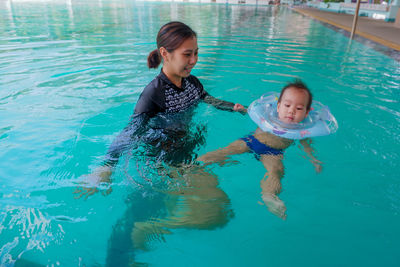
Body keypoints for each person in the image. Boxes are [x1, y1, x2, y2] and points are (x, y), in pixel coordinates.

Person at [74, 21, 245, 265]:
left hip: (186, 151)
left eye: (196, 53)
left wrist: (234, 108)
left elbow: (208, 99)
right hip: (161, 161)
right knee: (207, 212)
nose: (194, 60)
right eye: (187, 54)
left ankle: (140, 242)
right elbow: (131, 130)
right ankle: (121, 256)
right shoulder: (153, 92)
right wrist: (106, 166)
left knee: (214, 212)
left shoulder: (193, 83)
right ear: (165, 53)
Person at [197, 79, 322, 220]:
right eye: (287, 105)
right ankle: (197, 163)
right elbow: (254, 114)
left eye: (299, 108)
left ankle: (269, 195)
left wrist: (314, 160)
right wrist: (242, 110)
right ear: (278, 106)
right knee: (225, 151)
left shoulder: (302, 130)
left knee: (275, 172)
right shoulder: (269, 115)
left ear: (306, 114)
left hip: (273, 153)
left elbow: (306, 145)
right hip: (251, 141)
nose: (291, 111)